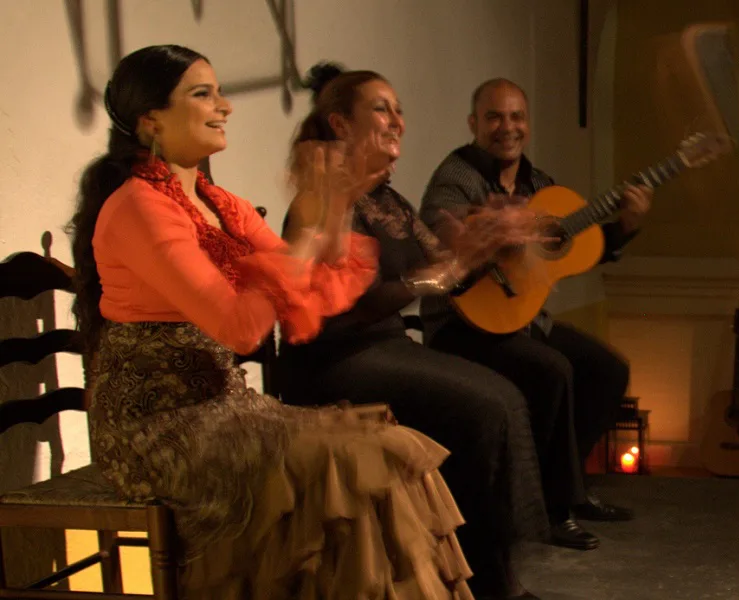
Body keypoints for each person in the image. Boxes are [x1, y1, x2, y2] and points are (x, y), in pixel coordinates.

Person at [69, 44, 475, 599]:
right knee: (350, 463)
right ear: (151, 120)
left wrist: (331, 207)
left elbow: (312, 298)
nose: (224, 106)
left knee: (389, 447)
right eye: (202, 94)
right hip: (157, 428)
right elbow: (242, 328)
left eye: (218, 91)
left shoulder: (219, 203)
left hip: (222, 405)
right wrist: (307, 233)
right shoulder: (139, 207)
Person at [278, 63, 551, 600]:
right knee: (486, 407)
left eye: (399, 109)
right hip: (335, 358)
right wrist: (442, 270)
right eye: (381, 108)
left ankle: (491, 571)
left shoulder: (391, 204)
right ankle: (493, 583)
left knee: (503, 395)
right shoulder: (322, 201)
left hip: (384, 348)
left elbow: (447, 269)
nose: (397, 120)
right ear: (340, 124)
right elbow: (352, 305)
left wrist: (487, 241)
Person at [418, 78, 653, 551]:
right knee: (553, 370)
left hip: (521, 320)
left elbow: (576, 248)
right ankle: (552, 511)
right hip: (461, 322)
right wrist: (498, 234)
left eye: (516, 117)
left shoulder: (539, 185)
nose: (507, 127)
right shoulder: (456, 175)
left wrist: (624, 229)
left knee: (608, 369)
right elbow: (446, 232)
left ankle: (567, 488)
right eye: (494, 117)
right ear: (473, 124)